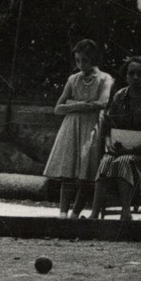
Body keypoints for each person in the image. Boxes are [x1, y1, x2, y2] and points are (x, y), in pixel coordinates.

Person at [43, 39, 113, 218]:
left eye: (86, 60)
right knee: (68, 173)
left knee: (86, 173)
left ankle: (76, 214)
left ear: (94, 59)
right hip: (72, 126)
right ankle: (63, 214)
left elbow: (102, 103)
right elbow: (58, 108)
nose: (81, 64)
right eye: (78, 60)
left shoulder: (105, 78)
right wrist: (82, 105)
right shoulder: (73, 79)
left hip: (91, 126)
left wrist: (74, 104)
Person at [89, 56, 141, 222]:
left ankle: (125, 212)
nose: (136, 78)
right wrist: (110, 144)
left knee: (124, 161)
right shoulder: (119, 96)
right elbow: (108, 127)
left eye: (140, 74)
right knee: (107, 161)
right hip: (119, 150)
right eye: (132, 74)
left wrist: (132, 149)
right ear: (126, 76)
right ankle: (94, 214)